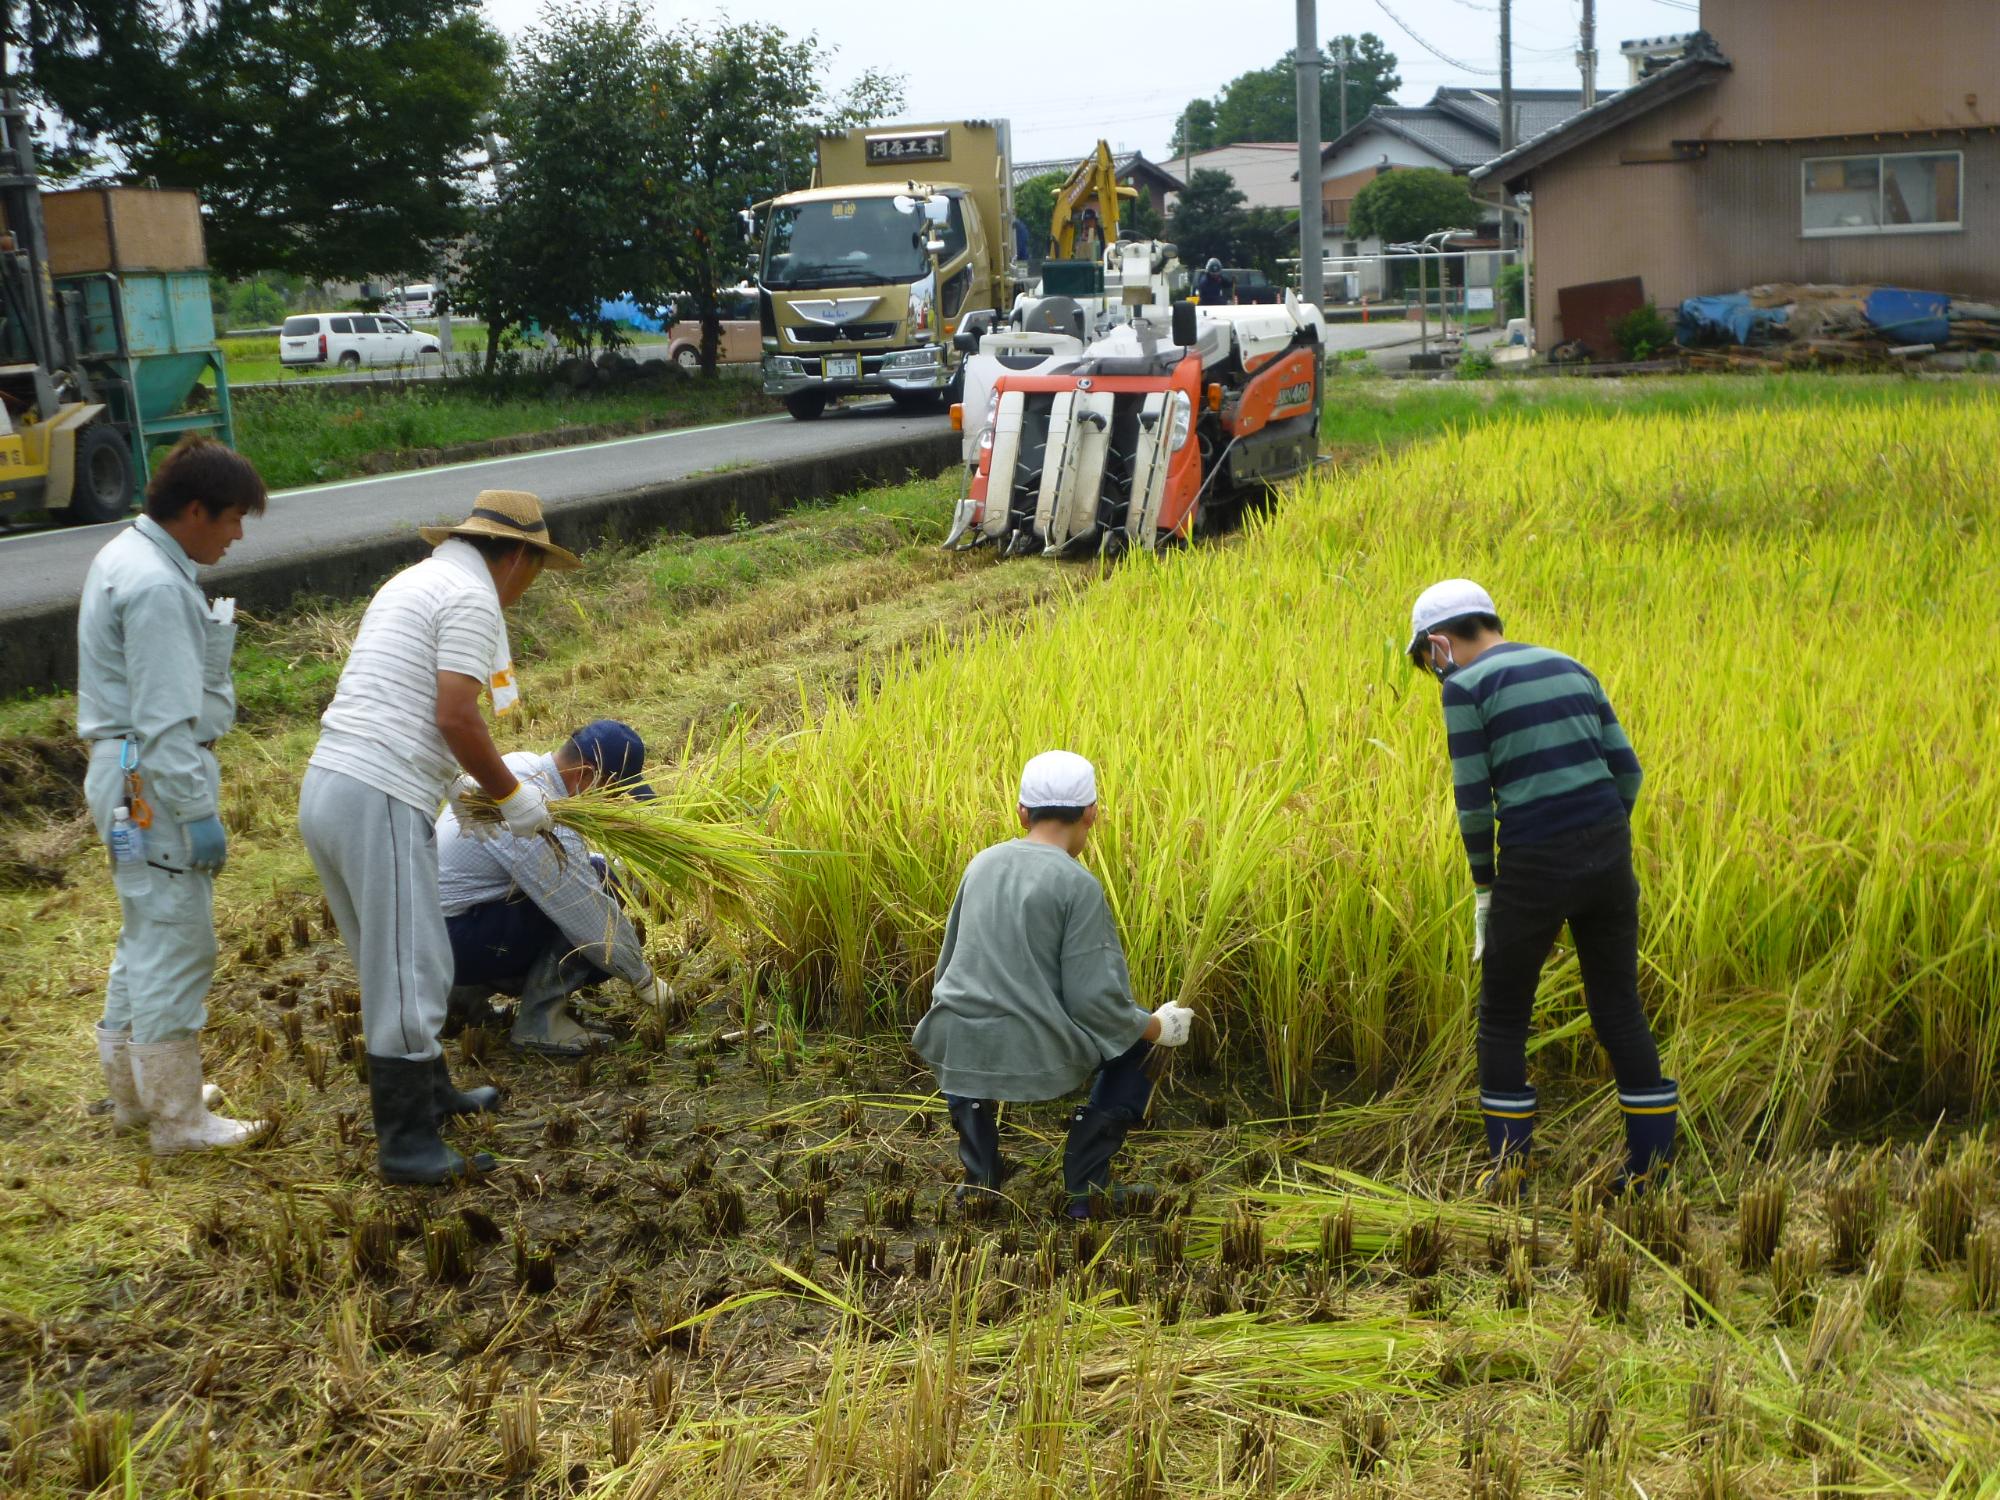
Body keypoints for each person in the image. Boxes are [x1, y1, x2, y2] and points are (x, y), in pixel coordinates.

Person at [299, 490, 577, 1184]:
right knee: (411, 971)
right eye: (536, 570)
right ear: (517, 555)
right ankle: (409, 1146)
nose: (528, 587)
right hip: (378, 790)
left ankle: (431, 1092)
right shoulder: (472, 596)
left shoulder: (416, 579)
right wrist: (513, 799)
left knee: (391, 957)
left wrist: (462, 788)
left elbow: (400, 700)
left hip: (331, 783)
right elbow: (456, 715)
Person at [1406, 579, 1676, 1196]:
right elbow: (1627, 770)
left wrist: (1485, 889)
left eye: (1426, 662)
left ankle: (1511, 1174)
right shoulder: (1571, 666)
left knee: (1503, 1015)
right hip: (1608, 855)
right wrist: (1600, 839)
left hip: (1533, 861)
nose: (1433, 675)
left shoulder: (1465, 688)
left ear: (1441, 645)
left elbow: (1474, 803)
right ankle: (1651, 1171)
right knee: (1619, 1009)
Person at [77, 437, 272, 1155]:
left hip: (125, 773)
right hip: (151, 780)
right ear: (195, 510)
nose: (237, 534)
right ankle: (179, 1120)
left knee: (145, 935)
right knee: (178, 943)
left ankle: (136, 1095)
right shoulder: (157, 586)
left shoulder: (129, 555)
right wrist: (198, 814)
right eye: (231, 519)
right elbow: (164, 724)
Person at [912, 751, 1195, 1218]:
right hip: (1035, 1057)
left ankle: (981, 1179)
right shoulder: (1077, 885)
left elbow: (947, 971)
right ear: (1091, 814)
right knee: (1138, 1046)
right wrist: (1159, 1028)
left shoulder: (981, 864)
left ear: (1021, 812)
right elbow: (1097, 1005)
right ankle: (1084, 1191)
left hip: (955, 1043)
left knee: (962, 1026)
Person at [437, 720, 672, 1056]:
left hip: (435, 936)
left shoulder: (519, 767)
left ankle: (461, 1000)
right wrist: (642, 978)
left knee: (592, 870)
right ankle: (540, 1023)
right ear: (588, 776)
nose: (614, 802)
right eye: (614, 792)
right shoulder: (536, 814)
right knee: (600, 886)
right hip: (454, 941)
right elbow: (585, 912)